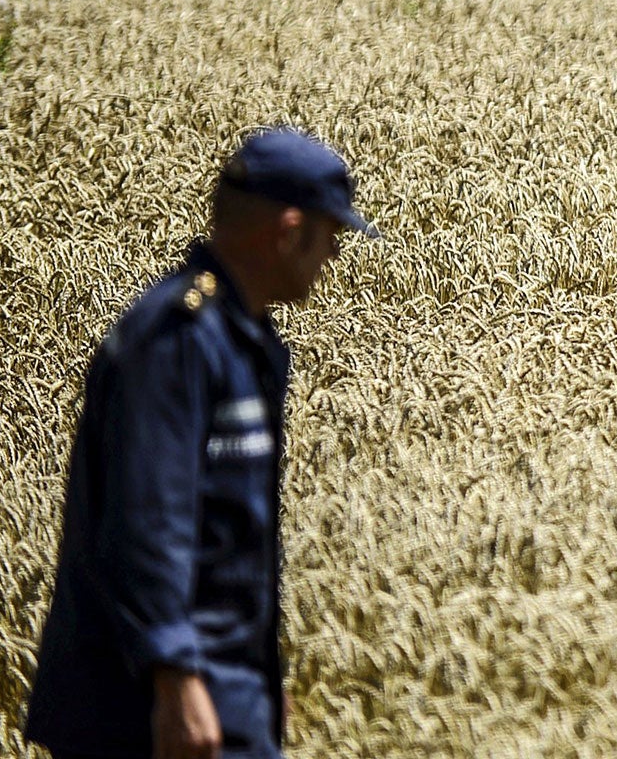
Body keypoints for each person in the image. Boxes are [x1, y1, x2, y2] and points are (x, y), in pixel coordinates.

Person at [23, 128, 376, 759]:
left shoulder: (238, 337)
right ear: (288, 231)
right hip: (145, 710)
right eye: (330, 238)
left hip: (220, 689)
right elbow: (148, 520)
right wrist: (176, 679)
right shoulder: (177, 340)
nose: (332, 259)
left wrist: (256, 682)